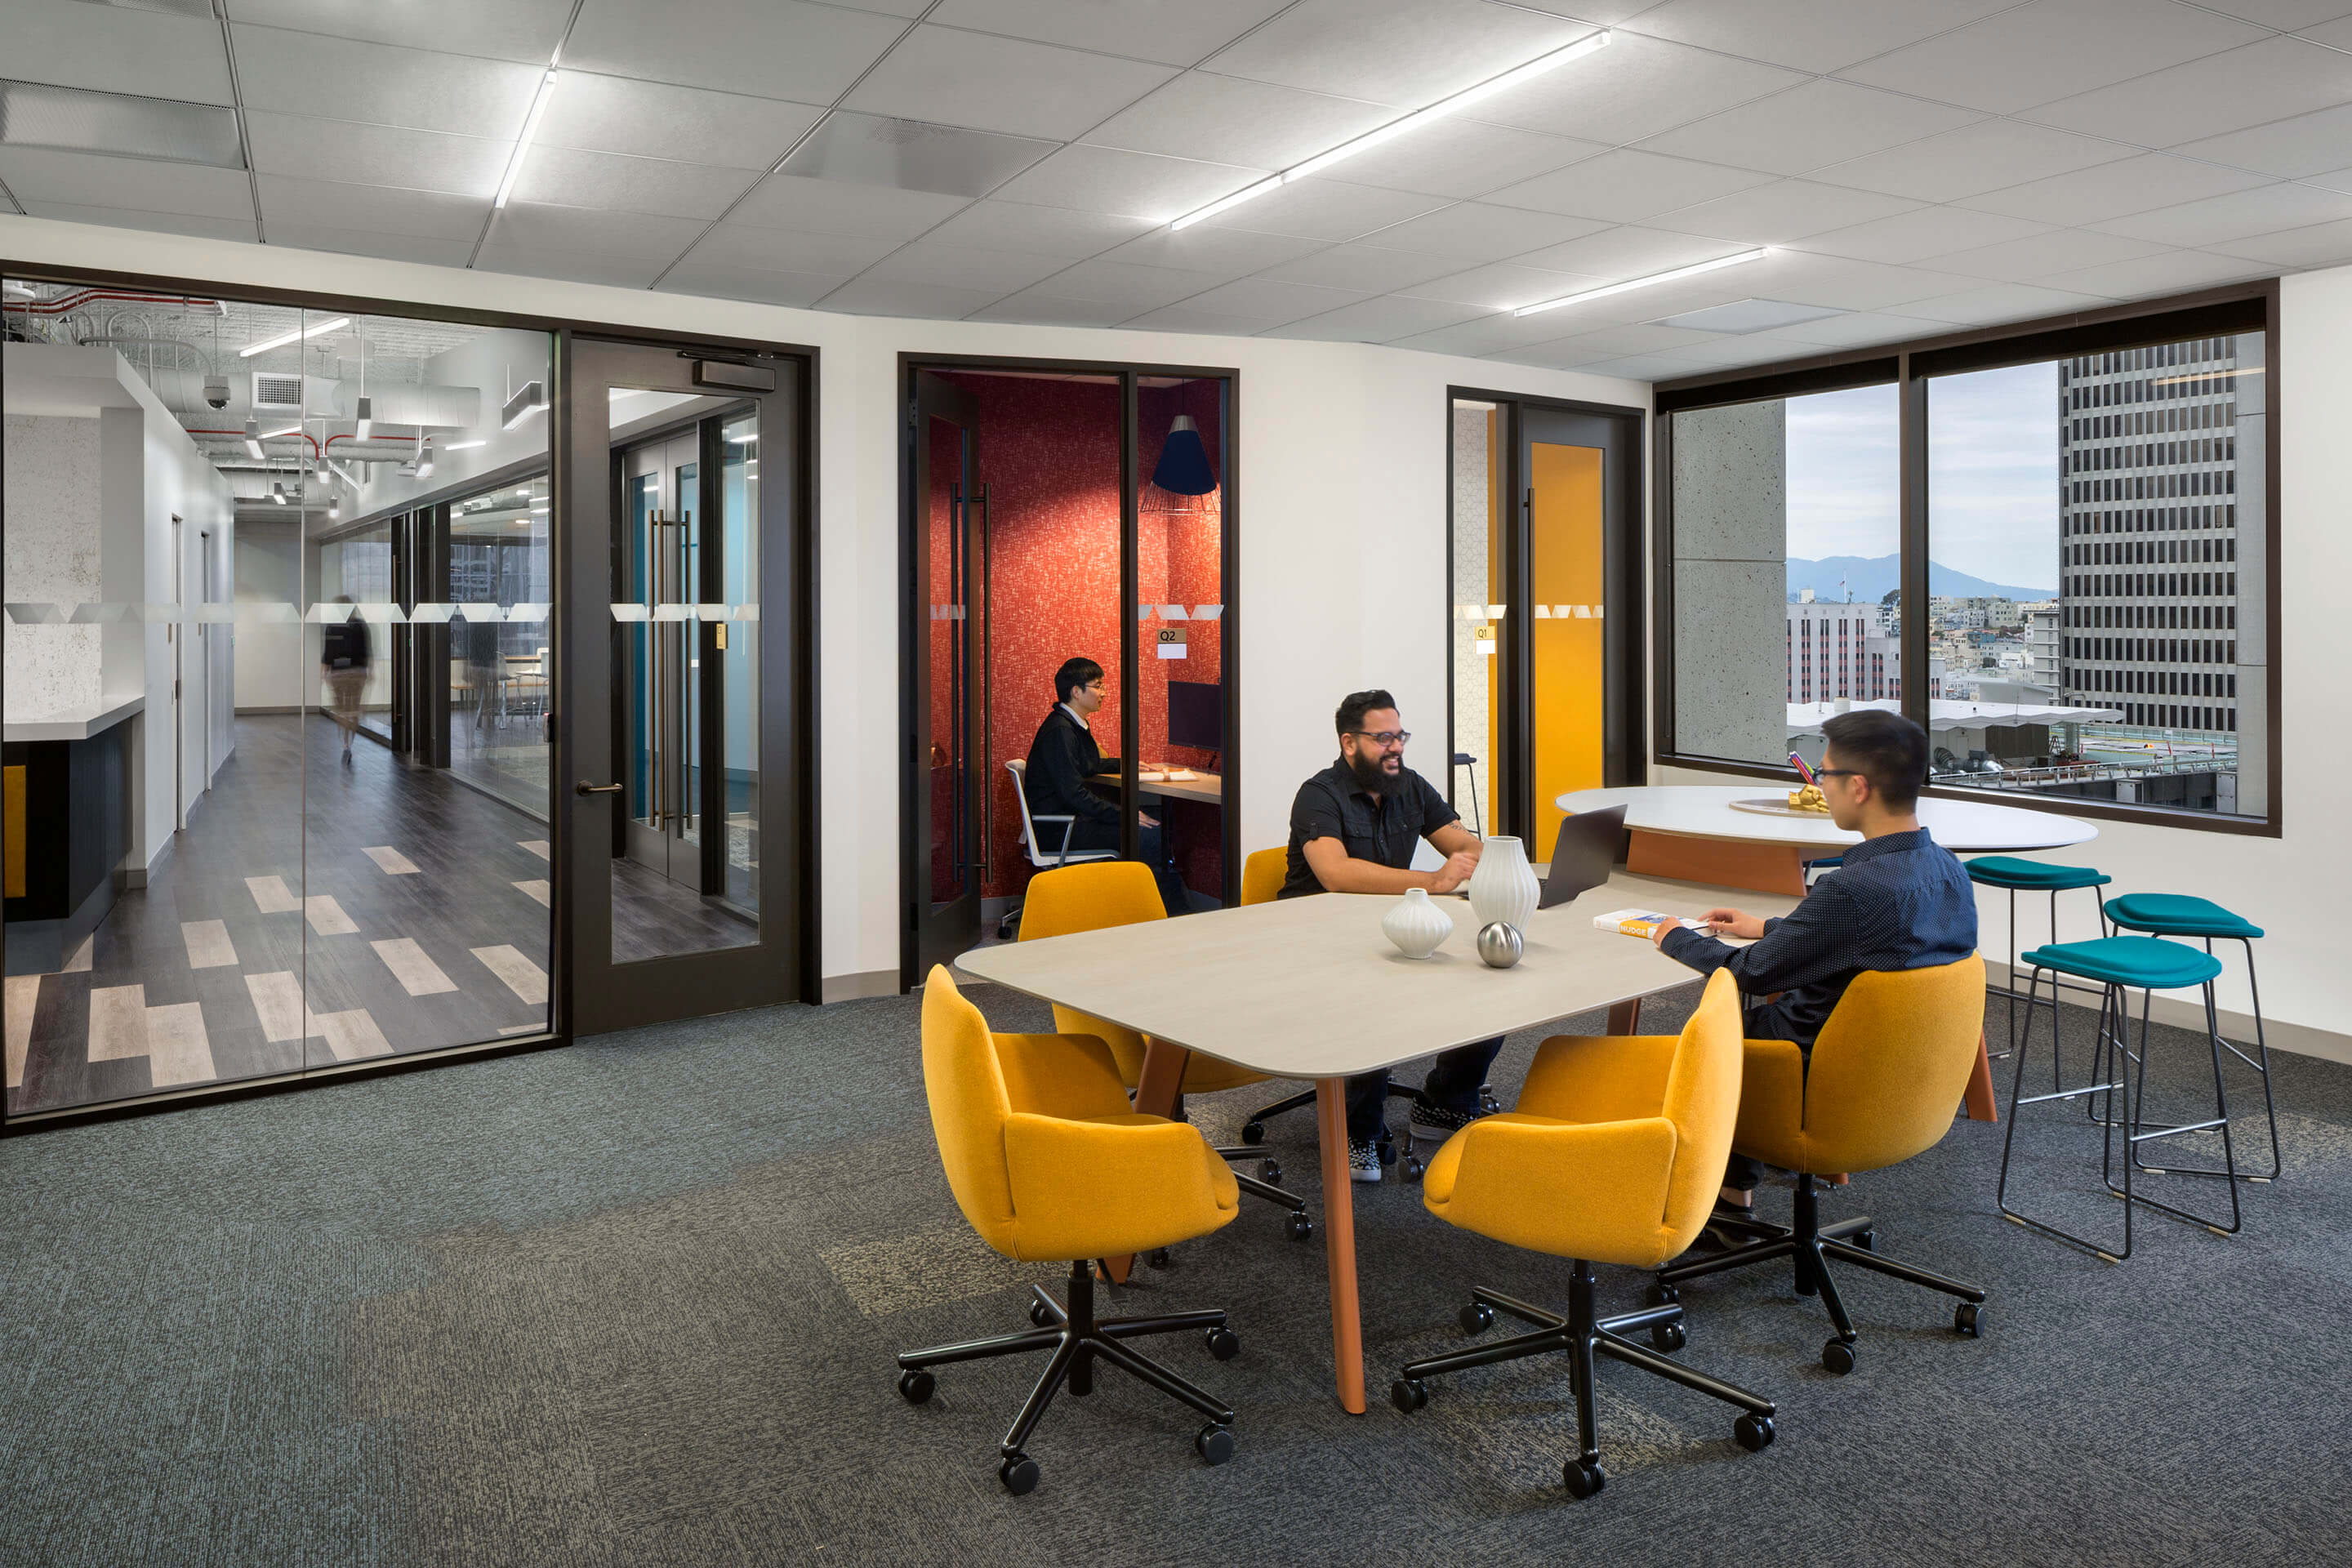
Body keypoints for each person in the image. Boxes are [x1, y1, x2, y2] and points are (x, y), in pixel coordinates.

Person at [1653, 707, 1976, 1221]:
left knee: (1706, 1036)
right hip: (1898, 1077)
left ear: (1860, 787)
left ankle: (1730, 1206)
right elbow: (1879, 942)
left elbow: (1751, 974)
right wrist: (1768, 927)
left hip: (1812, 1069)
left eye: (1825, 774)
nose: (1820, 785)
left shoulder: (1854, 887)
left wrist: (1671, 936)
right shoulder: (1944, 868)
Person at [1281, 688, 1495, 1182]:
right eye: (1383, 738)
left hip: (1392, 925)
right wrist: (1435, 882)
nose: (1395, 747)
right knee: (1368, 1002)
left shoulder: (1411, 787)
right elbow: (1335, 874)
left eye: (1399, 735)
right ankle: (1358, 1133)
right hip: (1313, 934)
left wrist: (1492, 854)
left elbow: (1458, 841)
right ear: (1350, 742)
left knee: (1493, 968)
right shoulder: (1319, 794)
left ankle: (1445, 1102)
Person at [1024, 657, 1187, 918]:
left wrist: (1129, 764)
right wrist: (1124, 814)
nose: (1105, 692)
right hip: (1062, 828)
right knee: (1149, 834)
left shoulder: (1069, 725)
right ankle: (1172, 915)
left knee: (1155, 820)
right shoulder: (1061, 732)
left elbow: (1088, 763)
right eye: (1098, 686)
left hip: (1070, 820)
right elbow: (1074, 793)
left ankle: (1148, 907)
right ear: (1076, 692)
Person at [320, 595, 371, 763]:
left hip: (339, 674)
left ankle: (346, 744)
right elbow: (366, 651)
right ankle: (348, 742)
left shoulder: (332, 626)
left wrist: (323, 673)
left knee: (341, 711)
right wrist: (371, 671)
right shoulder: (360, 625)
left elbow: (328, 654)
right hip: (358, 672)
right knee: (353, 710)